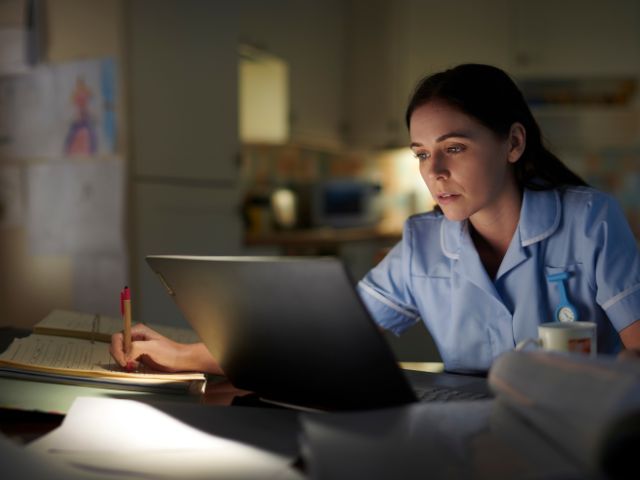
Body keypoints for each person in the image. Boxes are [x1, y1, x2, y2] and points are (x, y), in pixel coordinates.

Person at [111, 63, 640, 375]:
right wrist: (190, 356)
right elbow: (326, 337)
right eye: (420, 152)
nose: (433, 171)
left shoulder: (590, 220)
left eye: (454, 147)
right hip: (467, 439)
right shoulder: (422, 243)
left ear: (514, 143)